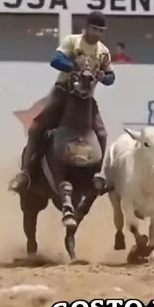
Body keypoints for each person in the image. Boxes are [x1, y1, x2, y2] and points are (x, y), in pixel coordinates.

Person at [11, 12, 115, 192]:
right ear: (86, 27)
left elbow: (111, 77)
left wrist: (103, 77)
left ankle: (97, 174)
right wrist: (73, 66)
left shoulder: (103, 51)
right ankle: (26, 172)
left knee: (102, 134)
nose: (97, 33)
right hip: (63, 92)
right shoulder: (73, 41)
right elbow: (55, 60)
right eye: (94, 29)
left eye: (101, 30)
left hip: (87, 98)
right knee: (37, 127)